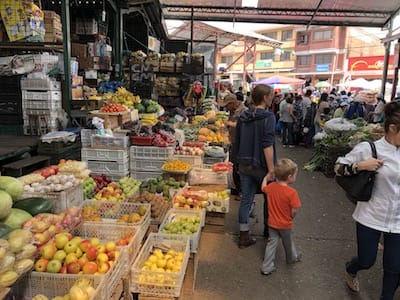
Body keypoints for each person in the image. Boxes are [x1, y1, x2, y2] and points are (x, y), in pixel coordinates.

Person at [335, 100, 400, 299]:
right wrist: (360, 166)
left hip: (397, 222)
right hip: (371, 216)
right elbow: (338, 168)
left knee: (394, 268)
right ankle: (351, 269)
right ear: (392, 128)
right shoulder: (369, 148)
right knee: (367, 260)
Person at [234, 84, 276, 248]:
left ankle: (243, 235)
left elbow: (236, 141)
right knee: (269, 199)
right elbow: (267, 145)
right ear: (265, 98)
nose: (272, 97)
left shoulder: (244, 116)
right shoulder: (268, 117)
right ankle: (268, 232)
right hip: (262, 166)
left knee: (246, 199)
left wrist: (236, 163)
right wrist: (271, 169)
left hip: (244, 163)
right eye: (271, 95)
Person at [260, 158, 302, 275]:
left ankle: (266, 266)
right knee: (288, 242)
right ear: (289, 177)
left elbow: (263, 188)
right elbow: (294, 210)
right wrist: (291, 216)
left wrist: (265, 178)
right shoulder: (292, 193)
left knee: (271, 243)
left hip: (272, 223)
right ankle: (291, 258)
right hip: (285, 224)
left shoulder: (271, 187)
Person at [221, 93, 247, 197]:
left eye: (227, 105)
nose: (226, 107)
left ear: (233, 103)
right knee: (233, 165)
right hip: (232, 141)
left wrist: (231, 124)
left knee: (238, 166)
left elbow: (244, 125)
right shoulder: (232, 111)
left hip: (240, 142)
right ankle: (235, 188)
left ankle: (241, 191)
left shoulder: (243, 110)